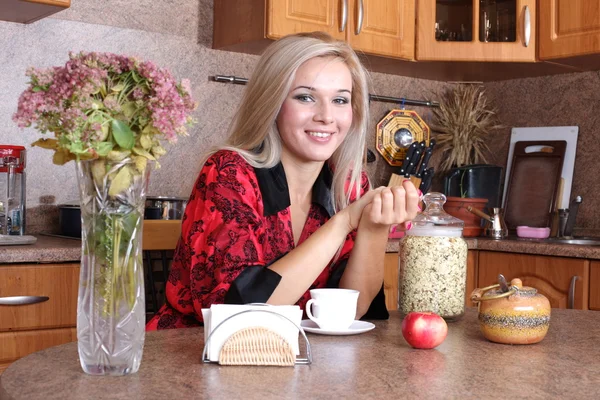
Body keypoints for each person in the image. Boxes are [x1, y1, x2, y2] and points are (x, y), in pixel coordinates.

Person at [146, 32, 419, 330]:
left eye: (340, 100)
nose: (327, 116)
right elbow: (242, 315)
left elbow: (350, 312)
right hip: (194, 357)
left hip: (296, 361)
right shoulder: (229, 173)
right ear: (272, 103)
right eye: (305, 97)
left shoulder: (349, 186)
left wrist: (373, 227)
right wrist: (343, 222)